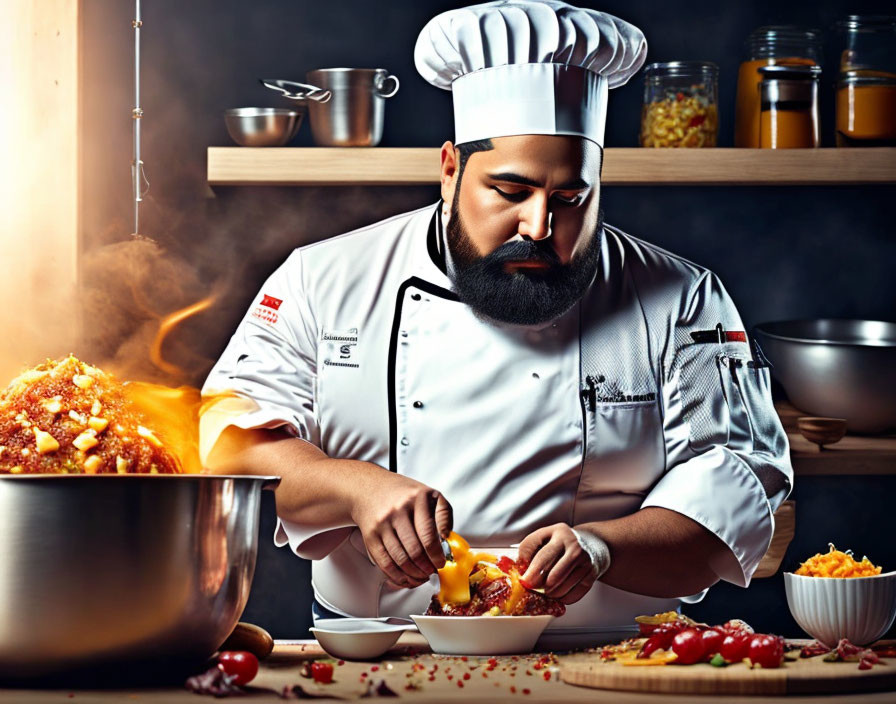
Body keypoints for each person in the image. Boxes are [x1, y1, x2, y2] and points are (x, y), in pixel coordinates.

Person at [200, 0, 792, 634]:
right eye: (510, 193)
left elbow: (741, 485)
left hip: (610, 651)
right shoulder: (324, 279)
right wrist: (355, 486)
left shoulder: (682, 297)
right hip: (384, 651)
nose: (539, 227)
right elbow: (231, 443)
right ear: (451, 170)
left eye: (570, 198)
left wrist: (603, 548)